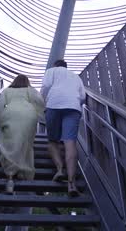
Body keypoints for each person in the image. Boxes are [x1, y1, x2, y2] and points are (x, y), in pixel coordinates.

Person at [40, 59, 85, 197]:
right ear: (66, 67)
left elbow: (46, 87)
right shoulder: (76, 77)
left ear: (55, 66)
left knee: (53, 141)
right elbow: (82, 96)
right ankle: (71, 184)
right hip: (73, 107)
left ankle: (60, 170)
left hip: (54, 104)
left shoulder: (51, 71)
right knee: (70, 143)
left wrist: (43, 103)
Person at [0, 74, 45, 194]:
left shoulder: (7, 91)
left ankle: (10, 177)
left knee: (10, 143)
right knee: (26, 143)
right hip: (28, 115)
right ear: (27, 81)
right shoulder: (30, 90)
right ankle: (23, 172)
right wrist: (39, 113)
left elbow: (0, 106)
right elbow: (40, 102)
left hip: (10, 114)